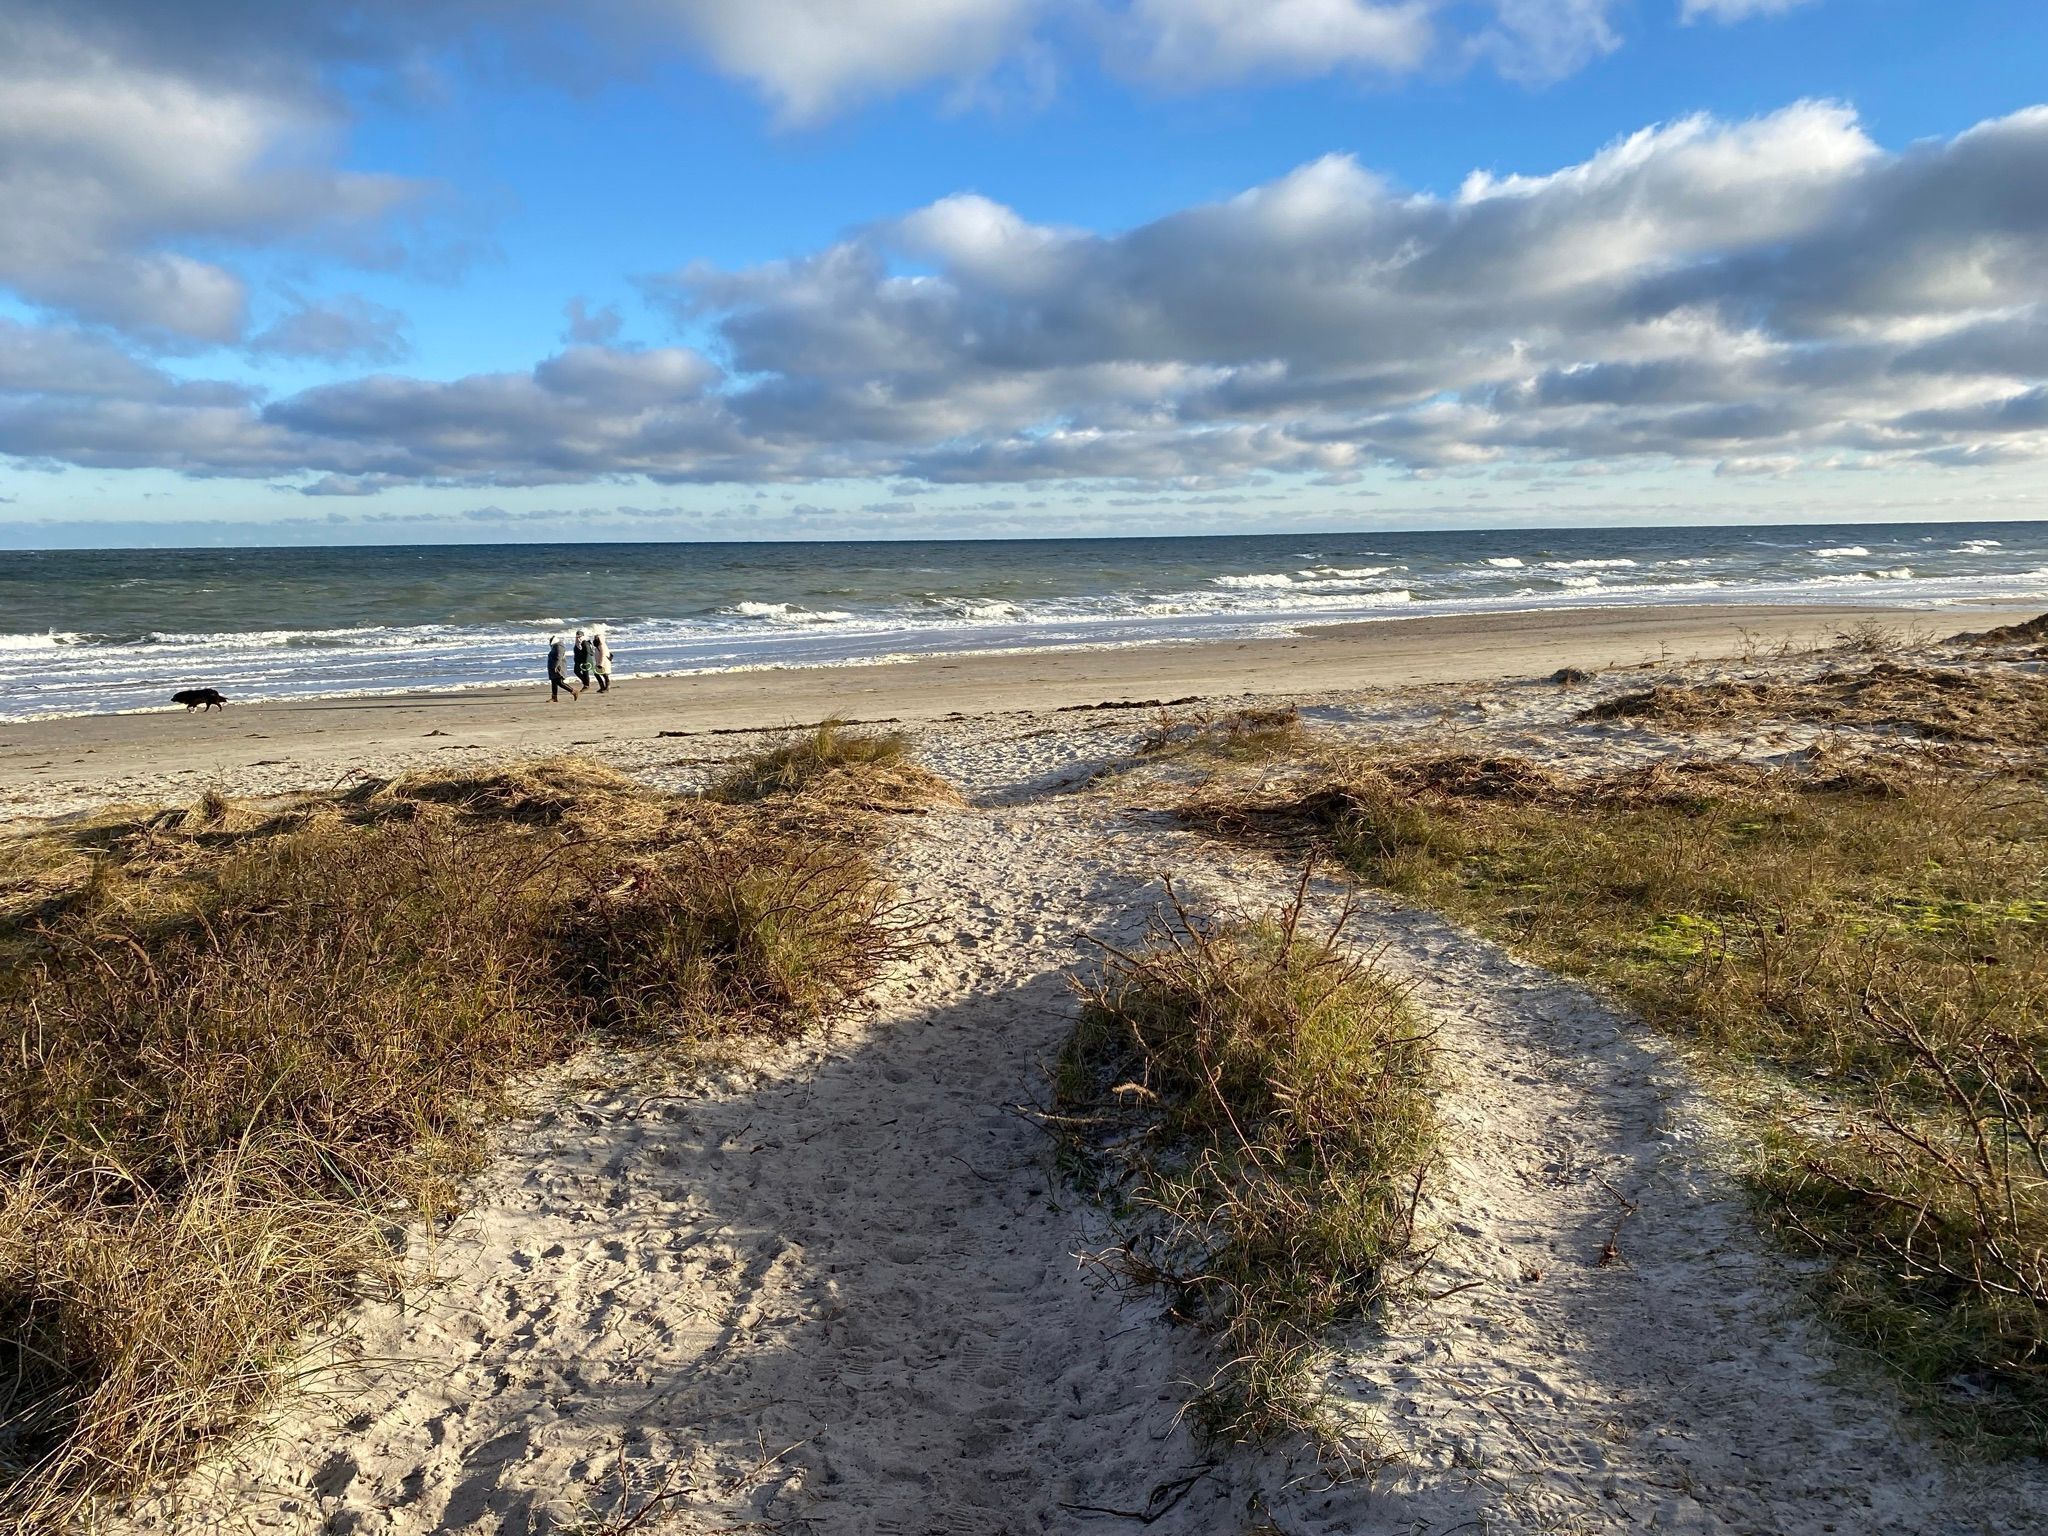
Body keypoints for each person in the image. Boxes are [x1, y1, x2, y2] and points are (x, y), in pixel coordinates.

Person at [547, 634, 580, 702]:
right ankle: (554, 697)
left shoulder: (559, 646)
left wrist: (555, 666)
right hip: (554, 667)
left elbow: (559, 657)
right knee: (554, 682)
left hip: (558, 668)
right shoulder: (555, 646)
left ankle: (573, 691)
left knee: (559, 682)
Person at [591, 629, 612, 693]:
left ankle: (606, 688)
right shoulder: (598, 645)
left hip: (603, 662)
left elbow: (603, 655)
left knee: (604, 674)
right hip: (600, 662)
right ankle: (602, 687)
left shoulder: (601, 645)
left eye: (596, 638)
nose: (595, 639)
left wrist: (601, 664)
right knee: (598, 674)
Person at [573, 629, 594, 693]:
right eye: (577, 637)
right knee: (576, 671)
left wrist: (585, 662)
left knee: (585, 673)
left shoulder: (585, 643)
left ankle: (586, 685)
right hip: (578, 660)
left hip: (585, 661)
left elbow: (588, 653)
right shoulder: (577, 643)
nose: (578, 638)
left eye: (579, 637)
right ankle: (585, 683)